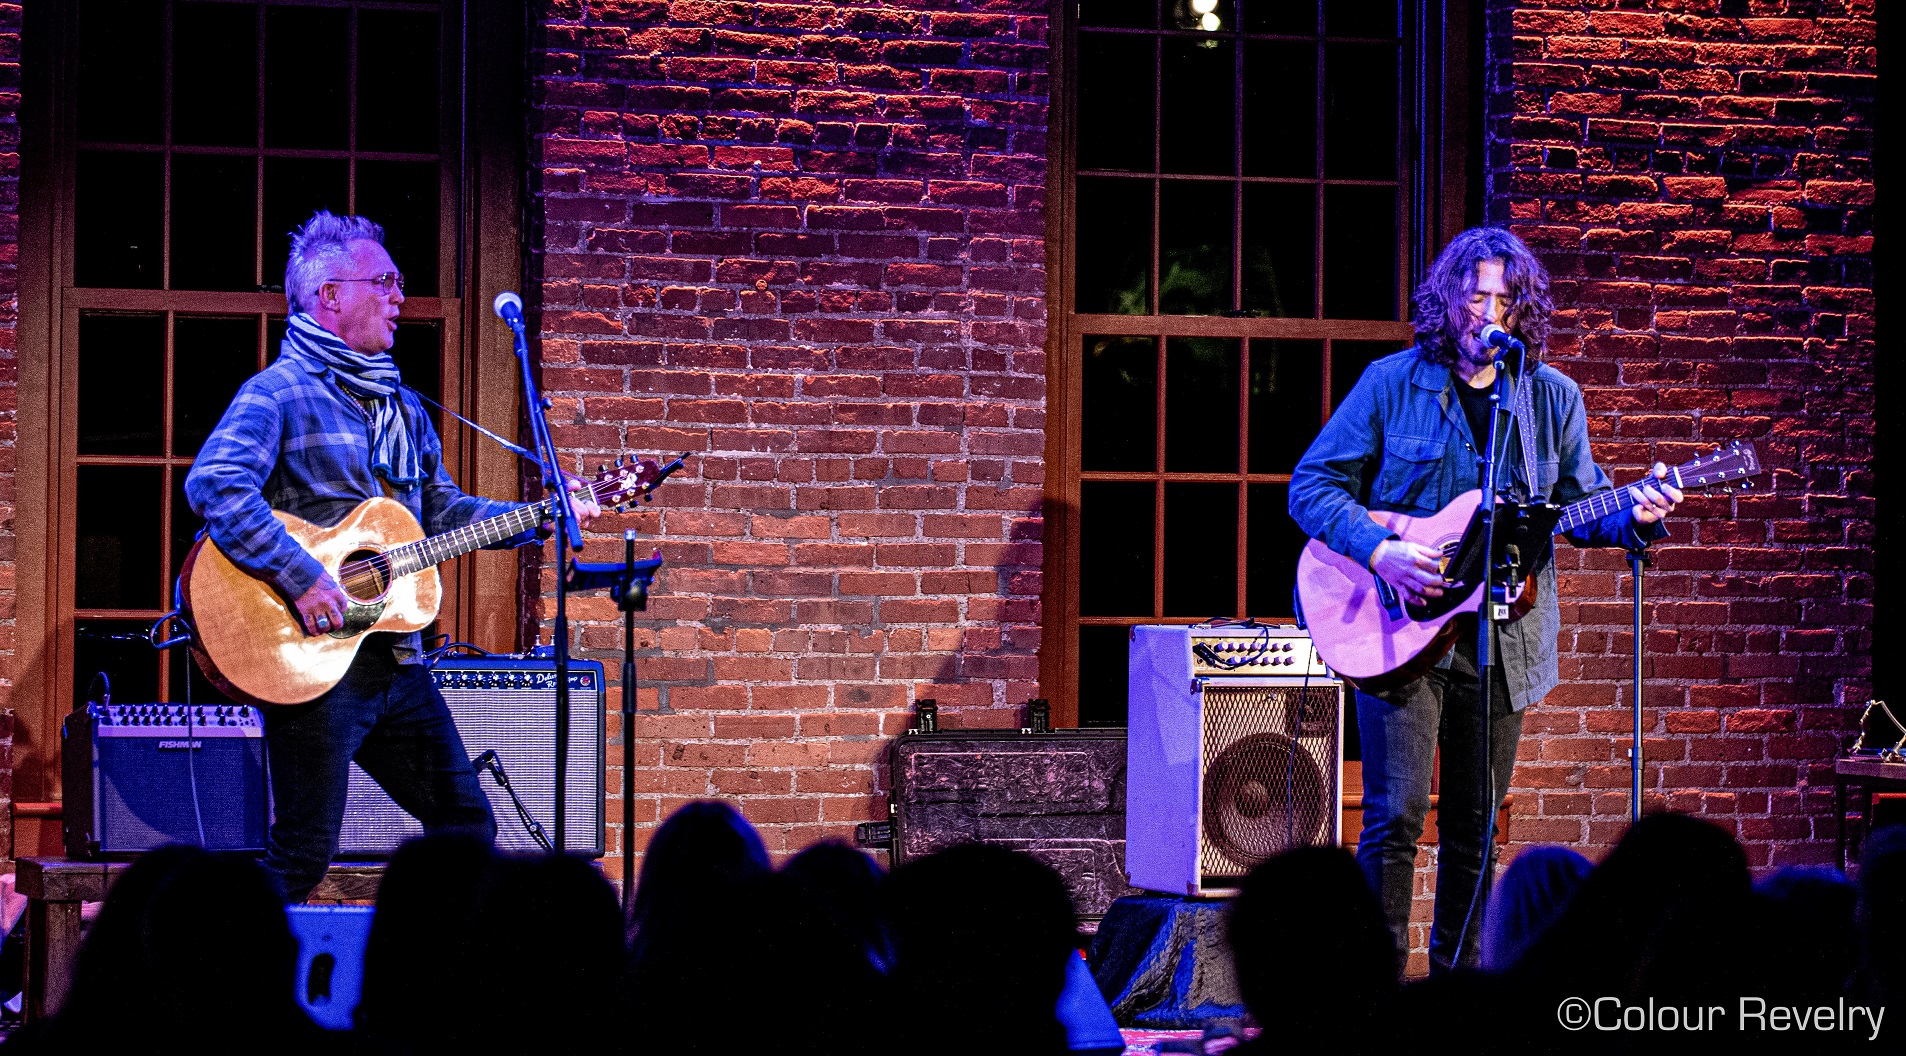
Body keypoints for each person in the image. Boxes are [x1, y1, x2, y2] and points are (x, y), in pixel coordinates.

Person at [1288, 226, 1681, 973]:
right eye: (1474, 299)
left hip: (1503, 638)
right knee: (1395, 817)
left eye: (1504, 300)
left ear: (1522, 310)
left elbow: (1585, 505)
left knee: (1475, 827)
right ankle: (1372, 991)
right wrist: (1382, 551)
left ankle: (1456, 996)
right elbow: (1311, 486)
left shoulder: (1552, 399)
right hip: (1399, 633)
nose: (1488, 315)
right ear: (1448, 303)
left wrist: (1635, 515)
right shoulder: (1390, 383)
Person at [185, 211, 598, 901]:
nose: (401, 297)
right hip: (313, 663)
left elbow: (440, 515)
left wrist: (541, 517)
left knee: (466, 825)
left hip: (396, 663)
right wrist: (305, 576)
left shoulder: (402, 409)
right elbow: (217, 484)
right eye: (386, 281)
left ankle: (421, 987)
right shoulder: (279, 394)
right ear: (331, 297)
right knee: (300, 858)